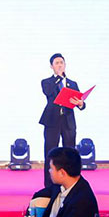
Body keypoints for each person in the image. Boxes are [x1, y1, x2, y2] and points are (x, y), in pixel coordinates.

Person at [39, 53, 86, 188]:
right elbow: (48, 92)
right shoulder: (47, 82)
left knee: (70, 153)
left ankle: (70, 185)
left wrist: (81, 104)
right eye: (57, 63)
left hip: (68, 121)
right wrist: (59, 78)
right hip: (52, 121)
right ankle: (49, 187)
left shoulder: (72, 83)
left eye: (61, 63)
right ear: (51, 66)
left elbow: (80, 102)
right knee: (50, 153)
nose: (60, 65)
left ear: (65, 65)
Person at [31, 147, 99, 217]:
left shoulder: (82, 200)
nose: (49, 171)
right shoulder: (59, 186)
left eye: (51, 168)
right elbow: (39, 194)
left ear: (62, 173)